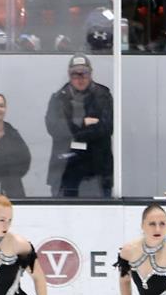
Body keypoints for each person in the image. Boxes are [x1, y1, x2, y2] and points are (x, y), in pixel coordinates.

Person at [44, 54, 114, 197]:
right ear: (69, 75)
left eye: (84, 73)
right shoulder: (58, 98)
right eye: (75, 74)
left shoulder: (103, 96)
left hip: (98, 170)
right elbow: (54, 128)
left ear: (91, 73)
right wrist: (83, 123)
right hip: (66, 170)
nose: (80, 78)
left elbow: (106, 128)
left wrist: (72, 130)